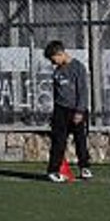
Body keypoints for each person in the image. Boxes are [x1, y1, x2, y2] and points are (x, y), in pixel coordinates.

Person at [43, 40, 93, 183]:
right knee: (58, 141)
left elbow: (83, 91)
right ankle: (53, 171)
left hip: (76, 110)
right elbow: (56, 94)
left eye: (53, 59)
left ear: (60, 53)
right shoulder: (57, 71)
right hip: (60, 110)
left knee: (80, 140)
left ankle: (84, 167)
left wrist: (80, 111)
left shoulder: (78, 68)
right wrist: (54, 114)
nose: (53, 63)